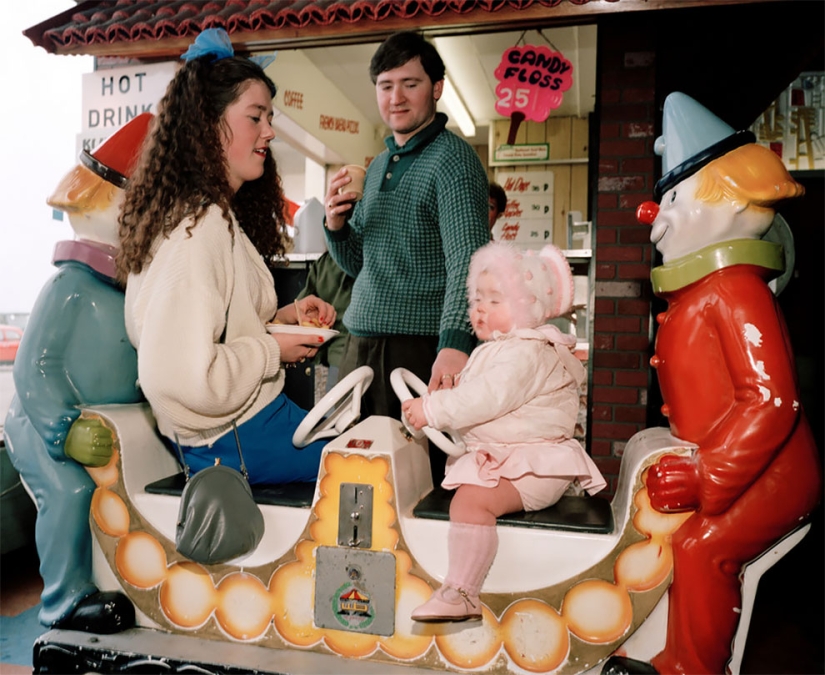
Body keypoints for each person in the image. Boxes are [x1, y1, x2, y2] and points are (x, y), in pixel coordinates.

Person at [606, 92, 822, 675]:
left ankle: (693, 668)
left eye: (672, 196)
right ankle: (666, 646)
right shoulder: (711, 289)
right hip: (741, 464)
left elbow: (771, 401)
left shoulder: (735, 290)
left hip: (771, 471)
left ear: (729, 202)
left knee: (703, 549)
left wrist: (709, 473)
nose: (655, 214)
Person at [117, 28, 336, 486]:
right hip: (237, 440)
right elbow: (179, 378)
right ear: (206, 122)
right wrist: (272, 349)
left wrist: (282, 318)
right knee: (372, 468)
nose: (270, 131)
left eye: (269, 118)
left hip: (244, 429)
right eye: (255, 117)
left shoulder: (207, 216)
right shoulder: (200, 229)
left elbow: (211, 326)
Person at [401, 241, 606, 622]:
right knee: (463, 488)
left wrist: (432, 408)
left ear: (528, 309)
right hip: (519, 455)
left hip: (536, 464)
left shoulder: (524, 352)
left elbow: (489, 396)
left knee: (471, 500)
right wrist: (452, 393)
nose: (480, 308)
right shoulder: (501, 348)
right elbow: (481, 394)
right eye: (478, 299)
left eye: (496, 301)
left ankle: (462, 591)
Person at [4, 113, 154, 633]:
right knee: (69, 493)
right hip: (47, 425)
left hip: (110, 423)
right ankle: (62, 599)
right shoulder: (68, 287)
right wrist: (62, 427)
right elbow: (33, 367)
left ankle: (127, 580)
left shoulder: (130, 290)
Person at [323, 31, 490, 448]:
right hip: (358, 346)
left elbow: (470, 263)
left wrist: (455, 343)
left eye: (409, 84)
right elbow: (359, 263)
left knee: (415, 478)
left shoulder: (454, 159)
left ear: (436, 89)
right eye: (385, 85)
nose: (395, 97)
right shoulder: (377, 166)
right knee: (355, 478)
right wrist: (337, 227)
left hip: (419, 350)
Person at [296, 250, 354, 390]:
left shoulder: (326, 262)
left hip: (333, 356)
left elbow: (302, 312)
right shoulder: (375, 257)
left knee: (335, 408)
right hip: (363, 353)